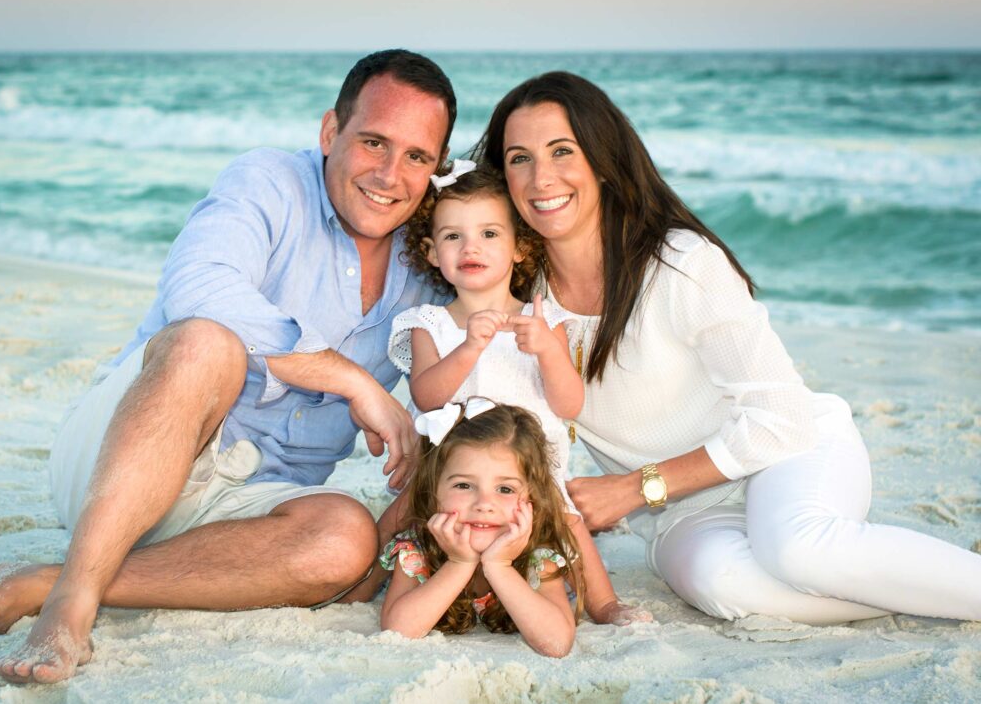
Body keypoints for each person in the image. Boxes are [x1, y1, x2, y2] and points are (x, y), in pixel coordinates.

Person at [0, 49, 456, 684]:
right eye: (373, 142)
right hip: (128, 449)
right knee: (207, 343)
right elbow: (196, 286)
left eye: (417, 156)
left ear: (438, 167)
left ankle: (39, 582)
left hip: (247, 505)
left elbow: (515, 267)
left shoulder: (435, 249)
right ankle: (72, 600)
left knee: (345, 539)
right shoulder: (269, 183)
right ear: (331, 131)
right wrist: (349, 377)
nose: (390, 174)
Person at [473, 71, 981, 625]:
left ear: (601, 159)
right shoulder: (518, 292)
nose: (541, 177)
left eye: (562, 150)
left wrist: (634, 488)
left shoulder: (679, 264)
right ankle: (921, 595)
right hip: (677, 515)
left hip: (785, 455)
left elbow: (780, 419)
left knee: (800, 549)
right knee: (724, 586)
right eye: (519, 157)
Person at [387, 163, 649, 625]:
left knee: (567, 522)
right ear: (431, 252)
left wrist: (548, 350)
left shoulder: (545, 322)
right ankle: (363, 583)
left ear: (520, 248)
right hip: (452, 476)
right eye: (452, 237)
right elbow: (427, 396)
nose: (471, 247)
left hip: (528, 477)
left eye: (489, 234)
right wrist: (469, 347)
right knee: (404, 513)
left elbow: (569, 406)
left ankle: (605, 604)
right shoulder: (429, 324)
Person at [380, 400, 582, 657]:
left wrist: (500, 567)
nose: (484, 504)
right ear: (432, 492)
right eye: (464, 485)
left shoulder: (536, 555)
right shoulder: (416, 551)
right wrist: (458, 563)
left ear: (531, 498)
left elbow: (556, 644)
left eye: (505, 489)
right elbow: (398, 632)